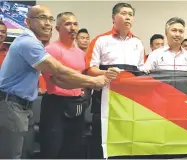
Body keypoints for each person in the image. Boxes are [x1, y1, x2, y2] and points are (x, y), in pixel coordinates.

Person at [0, 5, 118, 159]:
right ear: (28, 21)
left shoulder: (76, 52)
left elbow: (69, 77)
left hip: (29, 106)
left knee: (28, 153)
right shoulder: (31, 43)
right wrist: (94, 81)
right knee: (16, 154)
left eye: (50, 18)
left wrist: (100, 76)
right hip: (18, 105)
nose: (47, 23)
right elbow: (59, 73)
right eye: (42, 18)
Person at [85, 2, 145, 158]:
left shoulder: (138, 43)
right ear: (114, 18)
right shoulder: (101, 40)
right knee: (101, 137)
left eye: (130, 15)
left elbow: (141, 70)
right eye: (124, 13)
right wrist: (105, 73)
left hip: (129, 100)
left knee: (127, 138)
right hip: (104, 98)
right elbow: (89, 68)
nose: (128, 17)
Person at [39, 12, 91, 158]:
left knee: (73, 151)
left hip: (77, 104)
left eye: (75, 24)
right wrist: (85, 82)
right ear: (57, 28)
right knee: (52, 150)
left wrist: (84, 90)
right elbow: (55, 80)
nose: (73, 27)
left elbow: (83, 75)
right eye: (68, 24)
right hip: (55, 105)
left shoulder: (80, 53)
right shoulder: (52, 50)